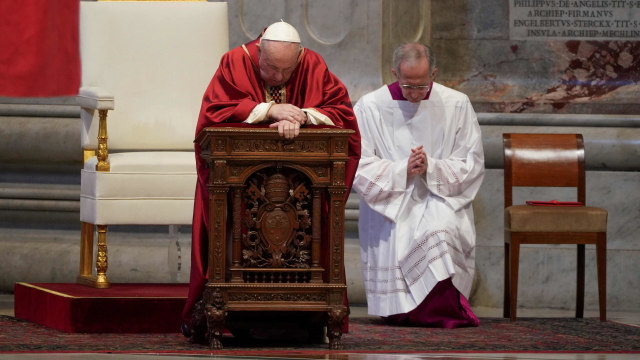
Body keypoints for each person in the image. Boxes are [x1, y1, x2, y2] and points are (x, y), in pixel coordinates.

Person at [182, 21, 361, 335]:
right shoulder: (235, 61)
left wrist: (304, 115)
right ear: (258, 50)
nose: (278, 77)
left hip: (300, 186)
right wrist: (268, 111)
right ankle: (232, 315)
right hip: (242, 182)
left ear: (299, 57)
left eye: (286, 71)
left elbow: (342, 112)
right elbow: (213, 112)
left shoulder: (313, 64)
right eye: (270, 68)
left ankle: (304, 317)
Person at [352, 43, 484, 328]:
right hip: (392, 200)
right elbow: (358, 164)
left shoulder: (456, 104)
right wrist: (403, 170)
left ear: (434, 73)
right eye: (407, 85)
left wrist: (431, 167)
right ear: (394, 73)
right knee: (400, 230)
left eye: (421, 86)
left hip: (440, 195)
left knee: (442, 228)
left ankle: (442, 311)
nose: (414, 94)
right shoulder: (370, 106)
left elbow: (471, 161)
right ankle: (401, 312)